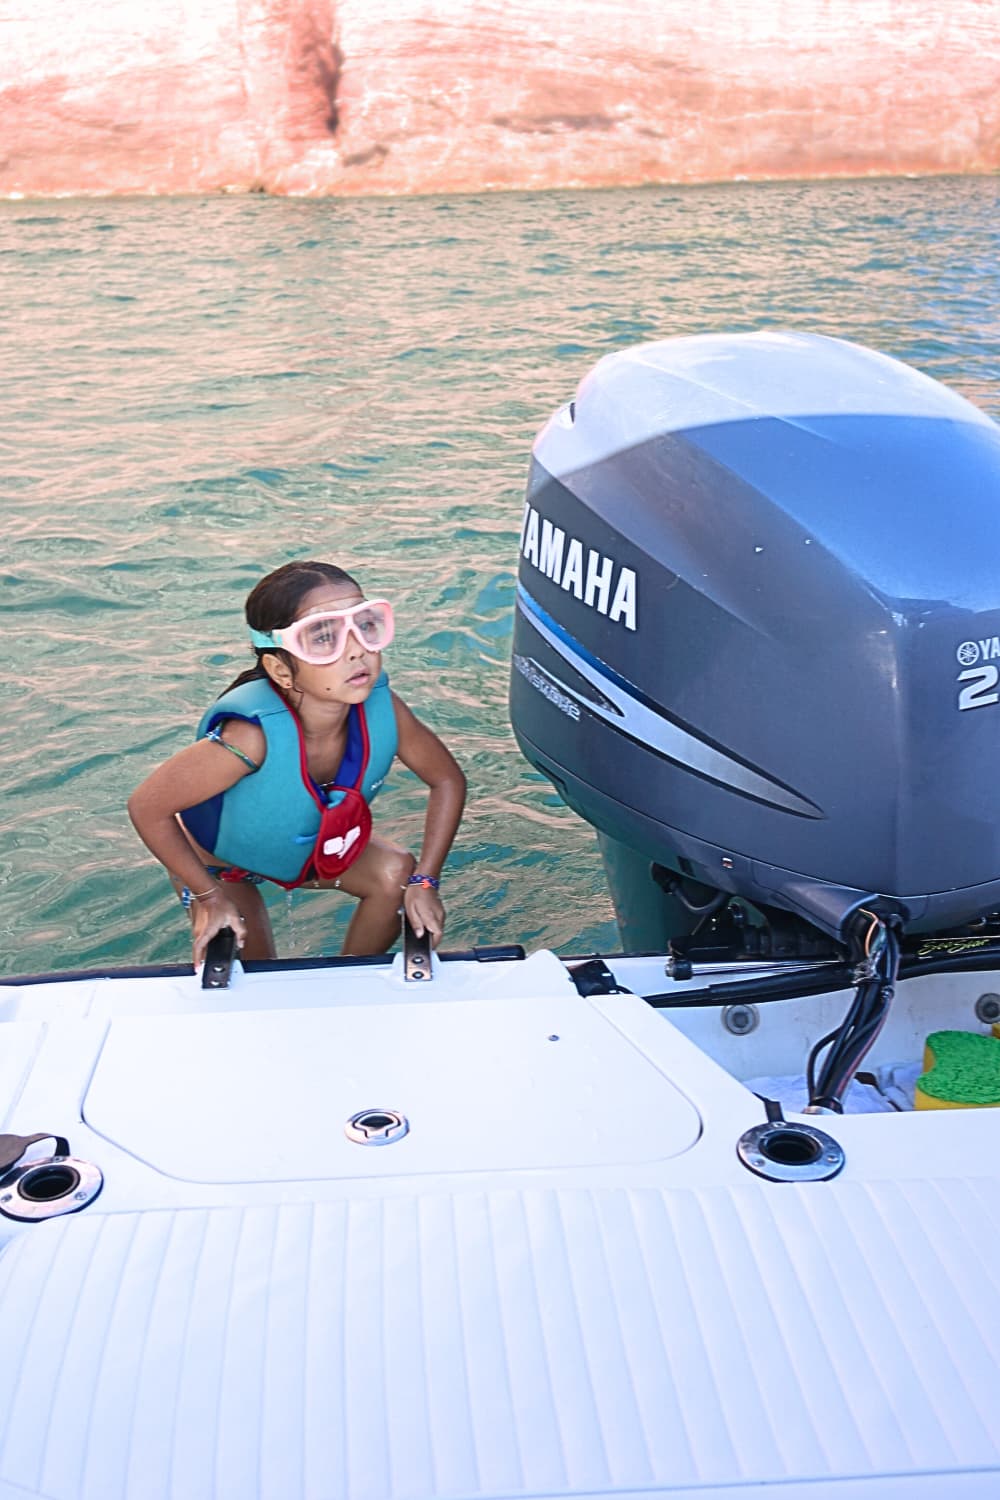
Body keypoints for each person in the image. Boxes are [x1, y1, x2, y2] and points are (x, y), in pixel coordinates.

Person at [128, 559, 466, 966]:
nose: (356, 648)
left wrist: (426, 880)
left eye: (365, 624)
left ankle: (348, 978)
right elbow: (147, 807)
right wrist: (208, 897)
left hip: (308, 848)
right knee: (256, 976)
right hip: (220, 863)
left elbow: (447, 780)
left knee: (396, 872)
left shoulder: (385, 711)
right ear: (280, 669)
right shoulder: (251, 738)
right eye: (323, 637)